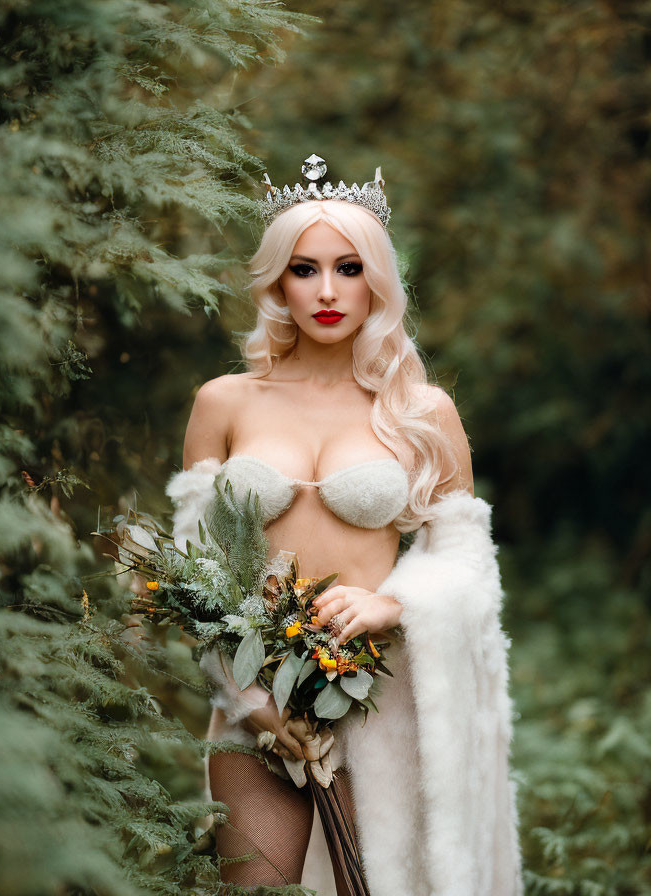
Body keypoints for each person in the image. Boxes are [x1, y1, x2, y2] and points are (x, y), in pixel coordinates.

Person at [166, 156, 523, 896]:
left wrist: (392, 604)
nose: (327, 292)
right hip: (252, 694)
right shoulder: (224, 402)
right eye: (304, 269)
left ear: (378, 282)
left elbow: (465, 557)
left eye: (350, 267)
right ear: (277, 281)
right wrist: (254, 706)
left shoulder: (421, 412)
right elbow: (190, 571)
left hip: (377, 695)